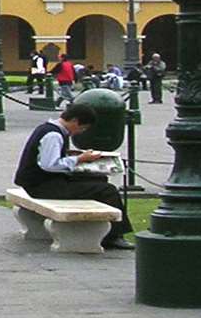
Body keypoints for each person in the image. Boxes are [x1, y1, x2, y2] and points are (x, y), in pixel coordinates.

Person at [12, 101, 134, 251]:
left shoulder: (48, 129)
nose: (80, 131)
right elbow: (49, 165)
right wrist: (79, 159)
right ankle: (114, 236)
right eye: (82, 127)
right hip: (42, 186)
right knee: (107, 190)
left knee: (99, 179)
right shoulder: (53, 135)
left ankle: (99, 228)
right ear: (75, 121)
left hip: (41, 181)